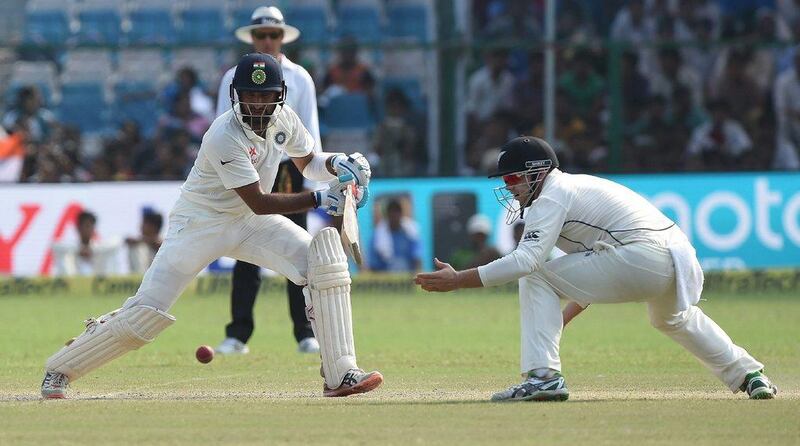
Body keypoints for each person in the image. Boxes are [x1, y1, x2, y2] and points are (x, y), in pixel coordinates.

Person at [41, 53, 382, 399]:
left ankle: (341, 373)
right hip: (199, 225)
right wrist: (320, 200)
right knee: (143, 315)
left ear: (280, 94)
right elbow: (259, 201)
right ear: (237, 95)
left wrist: (339, 162)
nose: (259, 104)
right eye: (252, 95)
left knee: (323, 262)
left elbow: (308, 163)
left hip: (249, 224)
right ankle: (60, 369)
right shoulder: (224, 134)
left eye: (266, 96)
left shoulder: (285, 119)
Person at [414, 136, 777, 402]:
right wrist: (558, 319)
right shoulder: (569, 189)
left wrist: (458, 280)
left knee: (535, 272)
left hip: (644, 256)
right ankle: (749, 374)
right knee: (672, 318)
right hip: (677, 257)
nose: (509, 189)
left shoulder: (551, 195)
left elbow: (527, 261)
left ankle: (543, 378)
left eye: (512, 179)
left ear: (536, 172)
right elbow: (594, 270)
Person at [215, 6, 323, 356]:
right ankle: (238, 333)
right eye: (260, 35)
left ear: (282, 37)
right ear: (252, 37)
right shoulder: (233, 75)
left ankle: (305, 332)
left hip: (290, 169)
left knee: (297, 250)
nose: (266, 40)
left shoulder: (300, 77)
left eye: (273, 34)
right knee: (245, 250)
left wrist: (314, 180)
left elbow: (308, 134)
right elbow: (222, 128)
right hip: (246, 166)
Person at [51, 210, 121, 276]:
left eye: (91, 227)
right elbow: (54, 245)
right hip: (73, 285)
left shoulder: (99, 247)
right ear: (78, 228)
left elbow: (117, 242)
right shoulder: (69, 247)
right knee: (66, 257)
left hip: (97, 285)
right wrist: (79, 250)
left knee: (108, 256)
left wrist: (92, 250)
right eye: (86, 226)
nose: (89, 230)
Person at [368, 199, 421, 272]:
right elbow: (373, 265)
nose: (394, 216)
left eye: (396, 212)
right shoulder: (378, 236)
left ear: (401, 214)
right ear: (387, 215)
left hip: (408, 279)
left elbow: (417, 258)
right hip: (386, 280)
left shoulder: (410, 233)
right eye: (392, 213)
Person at [125, 209, 164, 274]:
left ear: (152, 226)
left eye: (144, 223)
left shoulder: (163, 244)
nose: (141, 226)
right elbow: (127, 240)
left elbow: (158, 244)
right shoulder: (142, 242)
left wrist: (144, 240)